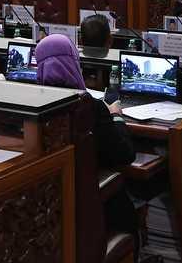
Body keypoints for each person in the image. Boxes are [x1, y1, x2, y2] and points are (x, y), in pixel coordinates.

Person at [34, 34, 137, 239]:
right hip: (94, 207)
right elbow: (125, 154)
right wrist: (115, 116)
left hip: (46, 211)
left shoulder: (33, 106)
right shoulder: (89, 107)